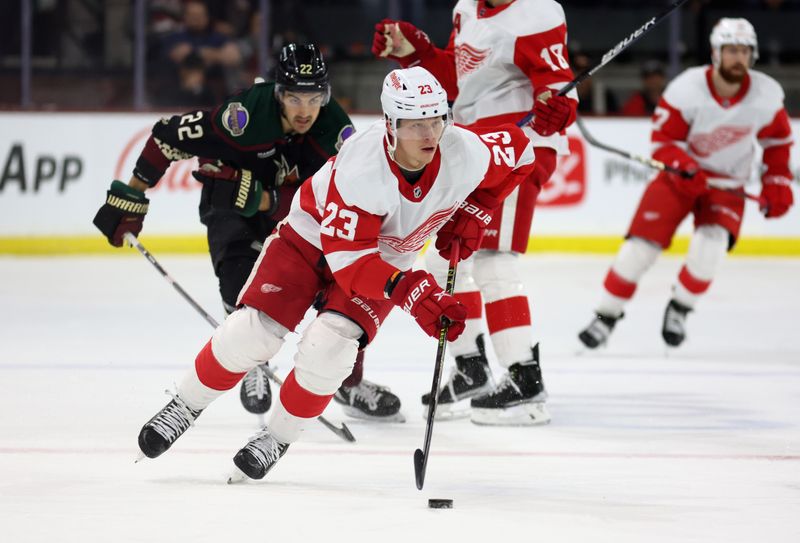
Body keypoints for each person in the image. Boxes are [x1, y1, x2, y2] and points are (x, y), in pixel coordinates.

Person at [135, 66, 537, 481]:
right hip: (312, 241)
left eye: (436, 119)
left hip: (384, 259)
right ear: (390, 125)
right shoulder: (362, 168)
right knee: (254, 330)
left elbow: (523, 152)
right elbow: (351, 264)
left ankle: (277, 436)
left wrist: (477, 209)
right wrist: (412, 292)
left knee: (331, 348)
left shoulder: (465, 151)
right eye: (415, 124)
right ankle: (185, 404)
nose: (429, 135)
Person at [93, 43, 403, 422]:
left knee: (343, 294)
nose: (305, 110)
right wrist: (132, 194)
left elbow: (343, 199)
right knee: (240, 276)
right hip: (231, 207)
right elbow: (167, 136)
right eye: (294, 97)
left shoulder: (336, 133)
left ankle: (347, 382)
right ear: (278, 93)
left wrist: (268, 199)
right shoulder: (242, 117)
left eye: (314, 98)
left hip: (299, 216)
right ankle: (252, 359)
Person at [371, 0, 578, 425]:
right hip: (475, 147)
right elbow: (456, 82)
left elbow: (556, 87)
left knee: (492, 258)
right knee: (445, 256)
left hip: (518, 148)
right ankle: (471, 368)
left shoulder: (537, 12)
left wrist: (559, 108)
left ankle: (524, 381)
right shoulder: (466, 8)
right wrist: (417, 53)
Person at [578, 18, 794, 349]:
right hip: (679, 178)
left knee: (710, 249)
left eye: (744, 51)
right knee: (638, 251)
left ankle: (680, 307)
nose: (738, 57)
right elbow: (663, 139)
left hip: (726, 183)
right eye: (731, 50)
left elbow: (778, 144)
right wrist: (683, 165)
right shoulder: (687, 88)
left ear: (753, 55)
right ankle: (605, 316)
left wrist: (776, 181)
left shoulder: (765, 95)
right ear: (716, 53)